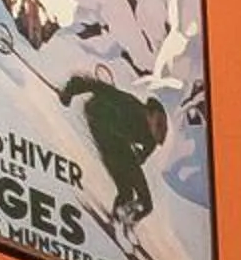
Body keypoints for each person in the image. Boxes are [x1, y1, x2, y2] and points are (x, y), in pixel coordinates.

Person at [58, 73, 168, 228]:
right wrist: (71, 90)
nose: (154, 128)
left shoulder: (150, 137)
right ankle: (116, 221)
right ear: (148, 112)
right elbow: (98, 86)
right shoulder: (129, 104)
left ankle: (126, 221)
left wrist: (140, 156)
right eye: (156, 122)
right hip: (103, 129)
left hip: (121, 145)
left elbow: (147, 150)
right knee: (126, 192)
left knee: (146, 203)